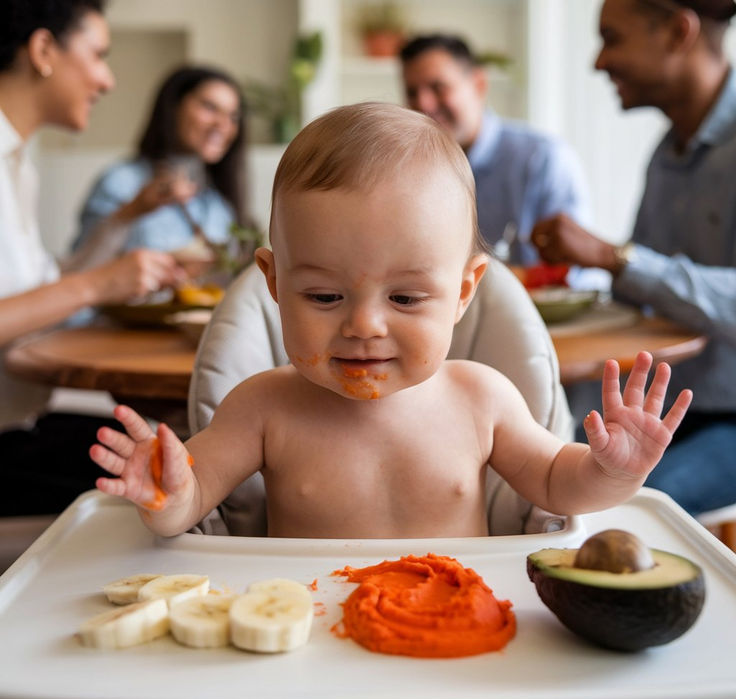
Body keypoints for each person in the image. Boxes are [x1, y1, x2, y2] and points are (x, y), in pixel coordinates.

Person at [89, 102, 691, 539]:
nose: (365, 326)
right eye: (324, 297)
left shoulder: (483, 400)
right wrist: (164, 492)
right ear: (274, 284)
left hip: (460, 635)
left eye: (405, 299)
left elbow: (563, 486)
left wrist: (611, 471)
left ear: (462, 293)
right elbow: (192, 504)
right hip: (308, 637)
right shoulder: (261, 409)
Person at [530, 0, 736, 516]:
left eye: (612, 38)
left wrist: (611, 256)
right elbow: (636, 291)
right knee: (535, 481)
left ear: (678, 32)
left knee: (608, 506)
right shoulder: (668, 153)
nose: (599, 62)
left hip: (726, 417)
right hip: (658, 408)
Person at [0, 0, 188, 514]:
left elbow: (32, 287)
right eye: (98, 55)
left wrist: (126, 219)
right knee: (162, 481)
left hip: (22, 422)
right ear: (43, 51)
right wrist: (99, 285)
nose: (106, 80)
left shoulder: (19, 164)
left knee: (168, 457)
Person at [399, 33, 602, 286]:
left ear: (479, 84)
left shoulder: (542, 159)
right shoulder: (407, 173)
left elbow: (574, 274)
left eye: (438, 88)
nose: (424, 103)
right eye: (412, 92)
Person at [69, 65, 249, 270]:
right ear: (173, 107)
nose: (223, 125)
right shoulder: (121, 182)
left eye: (233, 116)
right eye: (209, 107)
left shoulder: (218, 204)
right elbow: (77, 274)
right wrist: (130, 212)